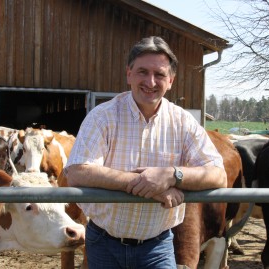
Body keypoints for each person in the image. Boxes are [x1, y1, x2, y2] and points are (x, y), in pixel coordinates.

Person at [63, 36, 227, 269]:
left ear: (171, 80)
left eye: (159, 74)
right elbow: (77, 172)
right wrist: (149, 186)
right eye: (142, 72)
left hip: (157, 246)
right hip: (104, 242)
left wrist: (171, 176)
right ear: (129, 74)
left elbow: (218, 175)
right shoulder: (103, 116)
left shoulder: (183, 122)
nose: (150, 81)